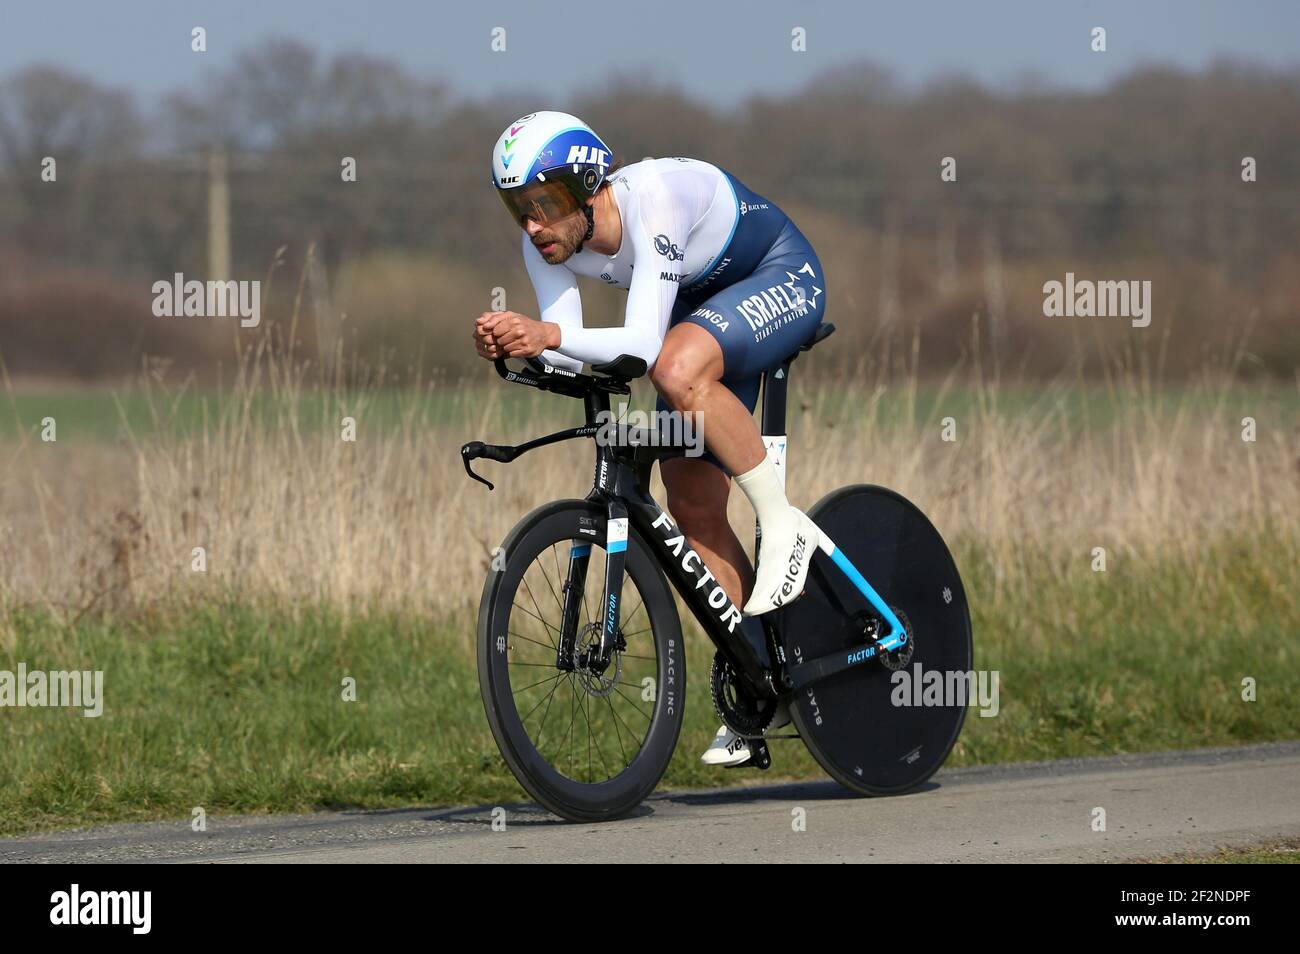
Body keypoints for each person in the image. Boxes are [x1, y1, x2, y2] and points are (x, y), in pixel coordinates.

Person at [473, 111, 826, 766]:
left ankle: (784, 523)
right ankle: (762, 684)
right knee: (690, 506)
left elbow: (639, 347)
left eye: (544, 204)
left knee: (674, 367)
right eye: (517, 208)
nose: (533, 225)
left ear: (586, 186)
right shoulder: (545, 245)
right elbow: (576, 355)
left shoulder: (653, 197)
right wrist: (518, 345)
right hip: (703, 314)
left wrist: (546, 336)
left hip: (780, 275)